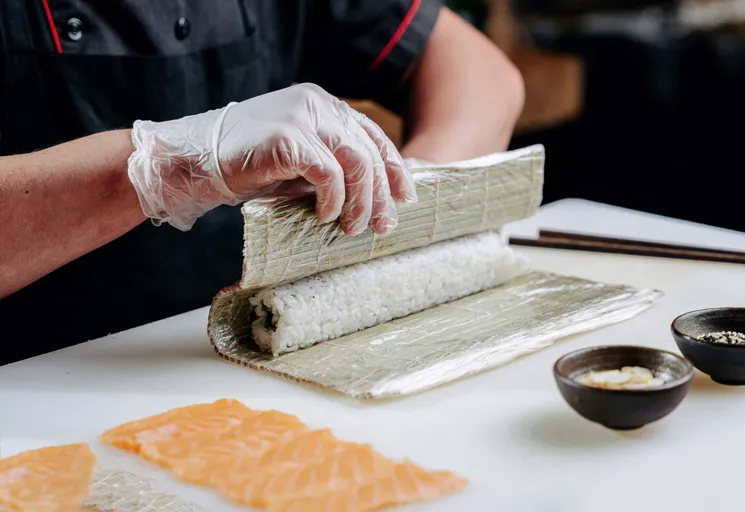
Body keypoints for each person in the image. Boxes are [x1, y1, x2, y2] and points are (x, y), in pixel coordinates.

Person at [0, 1, 524, 364]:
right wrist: (167, 165)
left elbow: (480, 73)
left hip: (259, 346)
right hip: (38, 376)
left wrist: (404, 194)